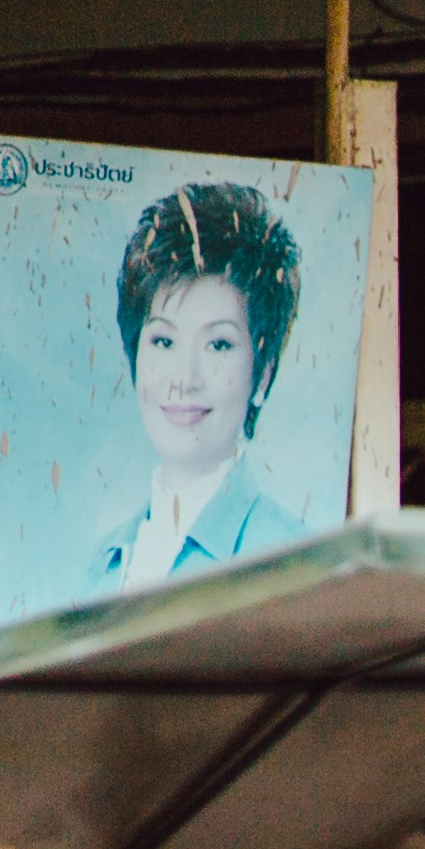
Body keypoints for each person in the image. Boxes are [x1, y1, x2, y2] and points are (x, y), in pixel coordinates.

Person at [95, 184, 316, 592]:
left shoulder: (298, 564)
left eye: (218, 344)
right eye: (164, 341)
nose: (185, 378)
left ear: (262, 376)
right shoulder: (100, 567)